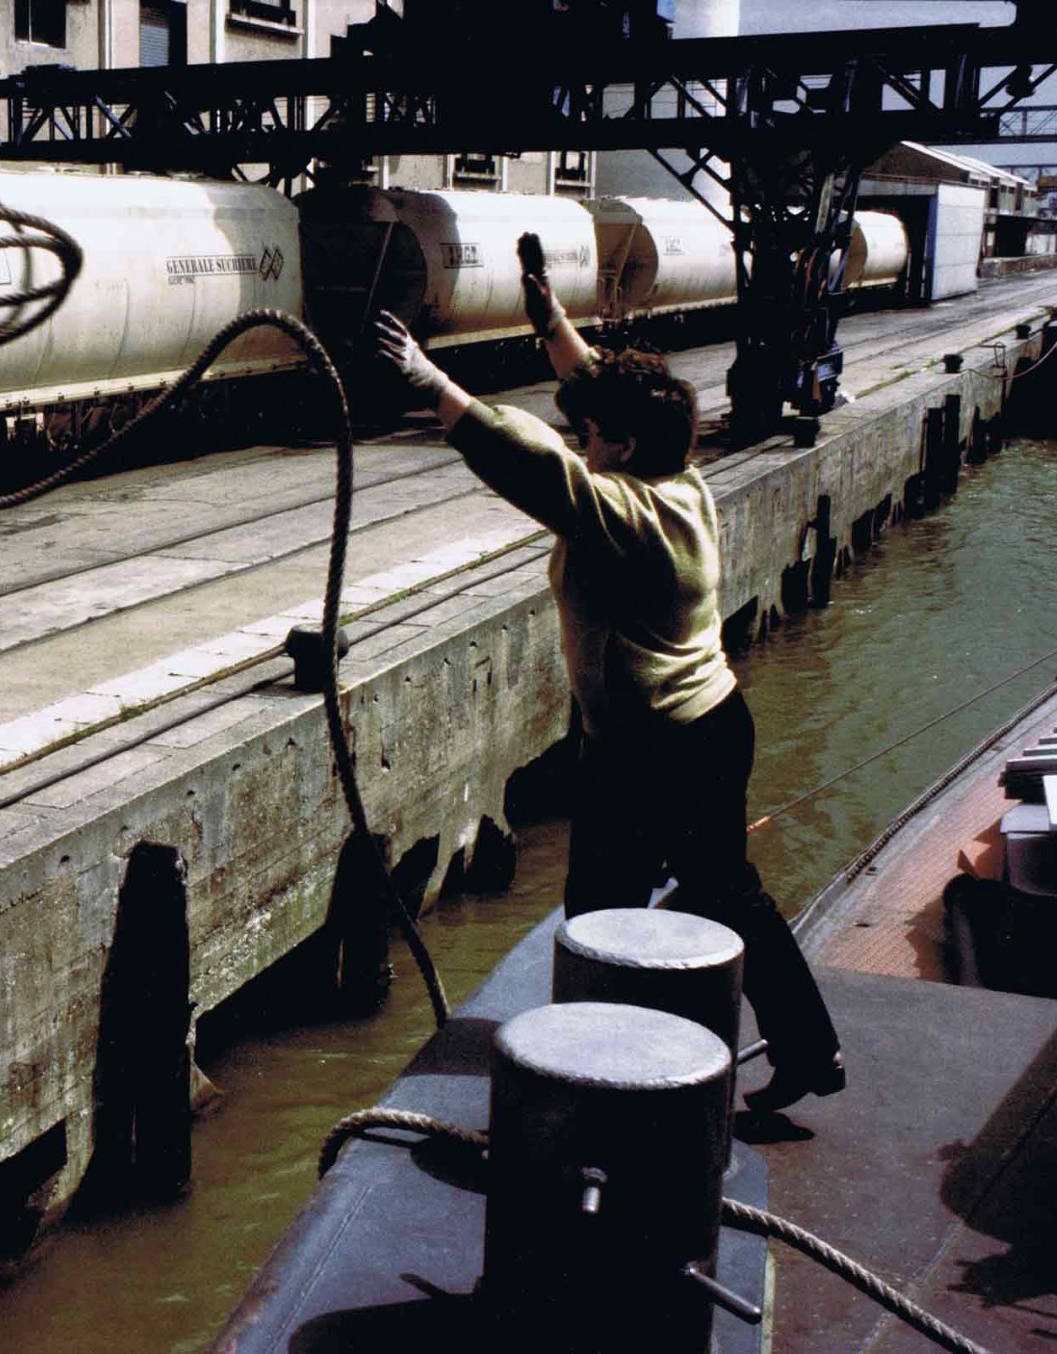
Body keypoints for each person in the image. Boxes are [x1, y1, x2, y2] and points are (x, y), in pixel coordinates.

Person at [374, 252, 845, 1112]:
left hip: (664, 747)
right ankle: (773, 1053)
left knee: (633, 907)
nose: (582, 441)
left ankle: (601, 1078)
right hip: (686, 729)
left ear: (620, 447)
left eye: (592, 435)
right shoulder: (675, 470)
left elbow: (529, 463)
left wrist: (430, 380)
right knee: (664, 897)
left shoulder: (626, 514)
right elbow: (603, 387)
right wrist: (550, 319)